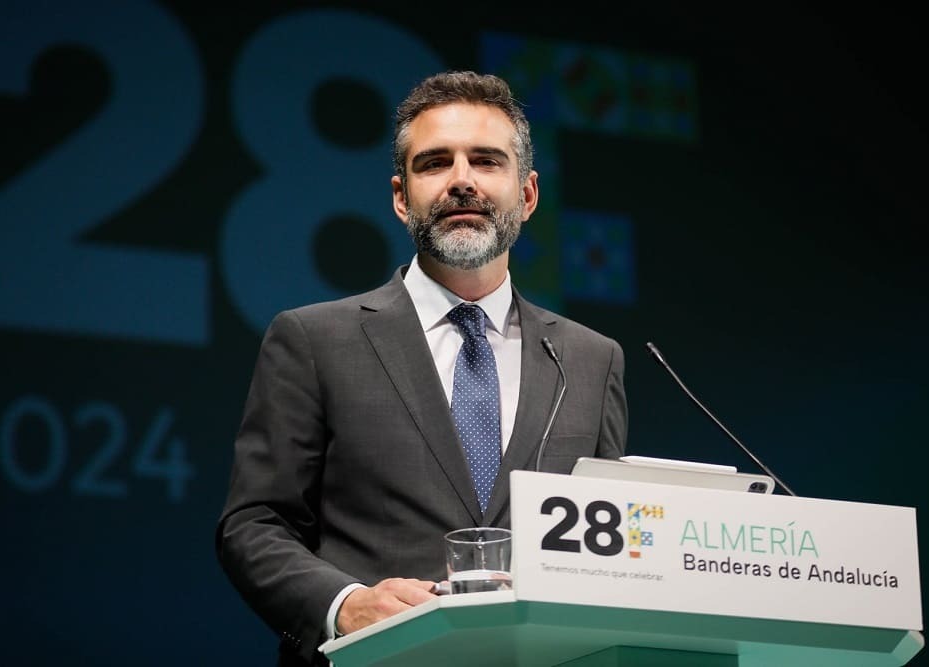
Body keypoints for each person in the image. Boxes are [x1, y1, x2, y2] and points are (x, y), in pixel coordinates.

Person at [216, 70, 628, 666]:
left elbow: (610, 550)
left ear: (528, 194)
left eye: (486, 161)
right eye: (435, 163)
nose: (462, 180)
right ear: (401, 198)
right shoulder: (314, 339)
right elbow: (254, 524)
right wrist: (345, 605)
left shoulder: (591, 359)